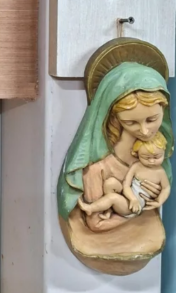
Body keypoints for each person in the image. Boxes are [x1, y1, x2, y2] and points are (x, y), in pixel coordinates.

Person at [57, 61, 173, 233]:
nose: (145, 131)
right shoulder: (97, 171)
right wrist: (137, 215)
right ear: (114, 116)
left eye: (152, 119)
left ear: (163, 110)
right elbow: (96, 224)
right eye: (131, 122)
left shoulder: (156, 157)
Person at [77, 130, 170, 218]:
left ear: (163, 152)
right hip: (130, 198)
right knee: (110, 183)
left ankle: (90, 208)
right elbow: (126, 185)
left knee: (112, 198)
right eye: (145, 157)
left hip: (133, 207)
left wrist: (159, 201)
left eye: (157, 157)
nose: (151, 161)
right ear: (138, 154)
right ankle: (109, 209)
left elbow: (166, 188)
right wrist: (132, 198)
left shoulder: (160, 172)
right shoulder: (136, 166)